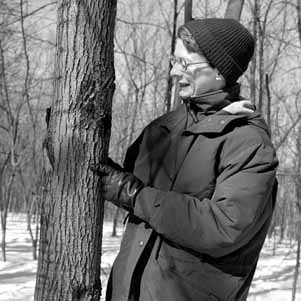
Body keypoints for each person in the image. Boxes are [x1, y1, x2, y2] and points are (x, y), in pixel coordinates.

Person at [91, 18, 278, 301]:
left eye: (185, 64)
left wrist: (135, 195)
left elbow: (224, 226)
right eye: (174, 60)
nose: (174, 72)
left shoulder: (248, 143)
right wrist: (73, 149)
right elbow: (126, 184)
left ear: (219, 71)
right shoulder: (164, 127)